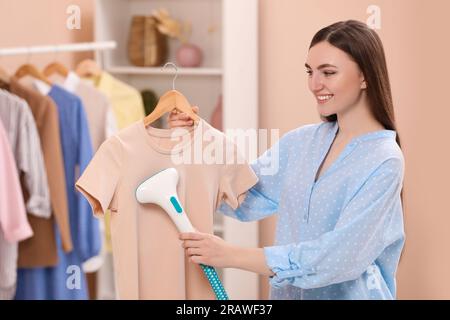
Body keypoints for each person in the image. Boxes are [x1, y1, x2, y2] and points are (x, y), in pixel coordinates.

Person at [169, 20, 405, 300]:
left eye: (328, 72)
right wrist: (193, 141)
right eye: (310, 72)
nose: (315, 85)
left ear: (365, 76)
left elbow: (339, 258)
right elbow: (244, 196)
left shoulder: (384, 160)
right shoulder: (301, 143)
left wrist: (232, 255)